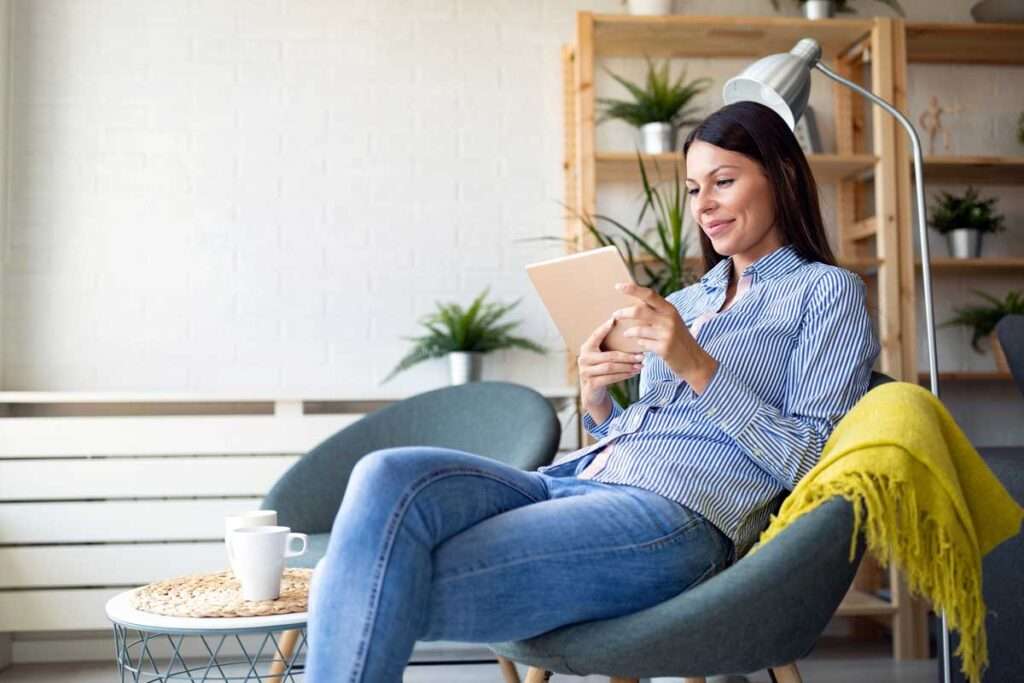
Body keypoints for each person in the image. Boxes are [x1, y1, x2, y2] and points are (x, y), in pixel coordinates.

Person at [305, 101, 881, 682]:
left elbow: (812, 461)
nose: (703, 205)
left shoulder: (826, 293)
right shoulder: (685, 302)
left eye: (723, 182)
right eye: (692, 189)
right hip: (577, 482)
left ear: (781, 176)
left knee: (357, 577)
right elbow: (647, 430)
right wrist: (598, 400)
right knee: (385, 474)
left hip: (678, 516)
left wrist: (697, 366)